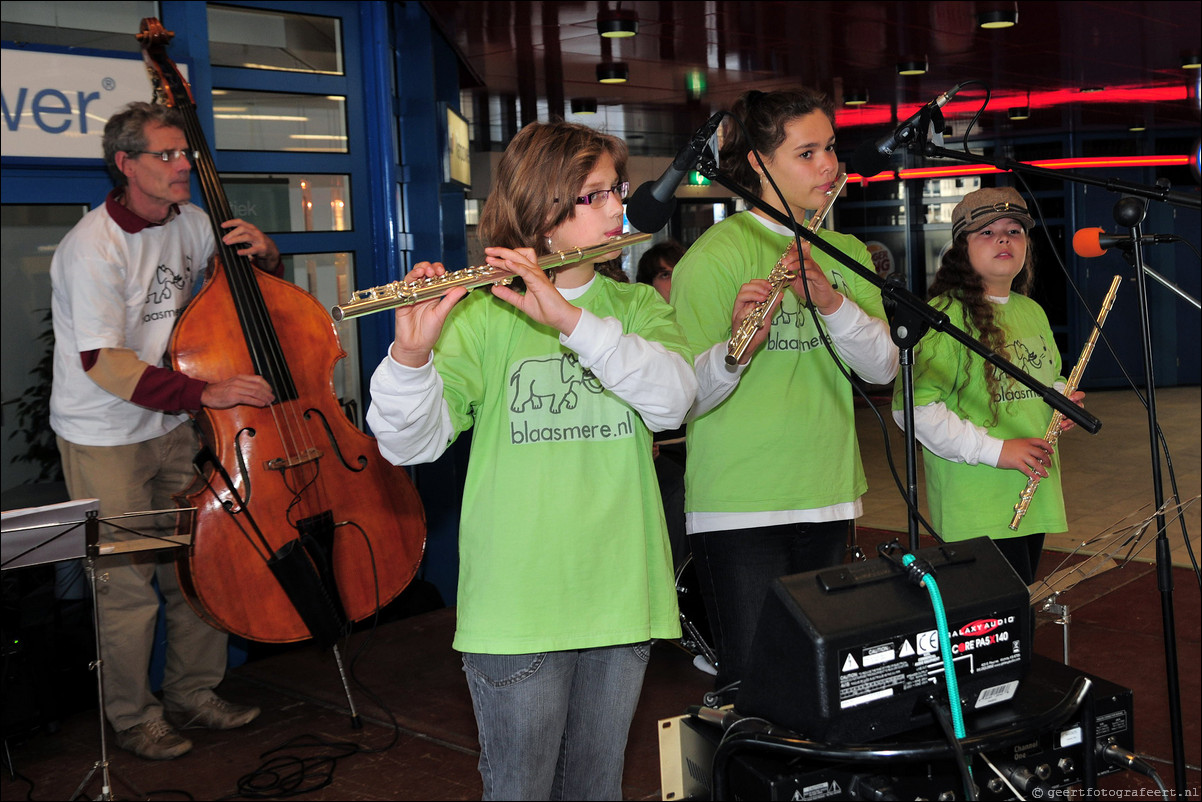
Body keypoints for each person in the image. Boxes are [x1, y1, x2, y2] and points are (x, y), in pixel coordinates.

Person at [365, 121, 697, 801]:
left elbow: (673, 402)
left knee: (596, 787)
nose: (616, 210)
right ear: (544, 215)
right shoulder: (484, 318)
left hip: (621, 594)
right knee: (519, 788)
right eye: (593, 196)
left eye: (617, 191)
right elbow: (408, 444)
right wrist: (411, 357)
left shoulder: (635, 308)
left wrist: (572, 323)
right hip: (517, 606)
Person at [50, 102, 278, 760]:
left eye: (188, 155)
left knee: (196, 567)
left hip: (172, 422)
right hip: (106, 434)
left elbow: (241, 300)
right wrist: (205, 392)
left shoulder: (195, 223)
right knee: (126, 584)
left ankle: (193, 693)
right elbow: (103, 363)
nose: (185, 167)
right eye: (168, 156)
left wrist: (264, 255)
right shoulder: (92, 246)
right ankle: (132, 717)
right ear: (126, 165)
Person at [668, 88, 899, 697]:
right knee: (756, 685)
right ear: (758, 165)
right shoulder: (713, 258)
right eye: (808, 152)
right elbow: (683, 398)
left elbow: (882, 370)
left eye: (831, 148)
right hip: (740, 505)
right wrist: (736, 352)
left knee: (826, 685)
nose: (830, 165)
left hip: (827, 493)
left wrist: (831, 300)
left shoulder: (845, 254)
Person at [892, 186, 1083, 584]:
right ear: (962, 249)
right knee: (989, 632)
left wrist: (1064, 399)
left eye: (1014, 231)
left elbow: (1049, 378)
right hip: (977, 504)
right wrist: (997, 451)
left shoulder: (1031, 310)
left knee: (1019, 620)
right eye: (987, 232)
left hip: (1033, 492)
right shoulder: (945, 317)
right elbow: (913, 408)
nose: (1003, 239)